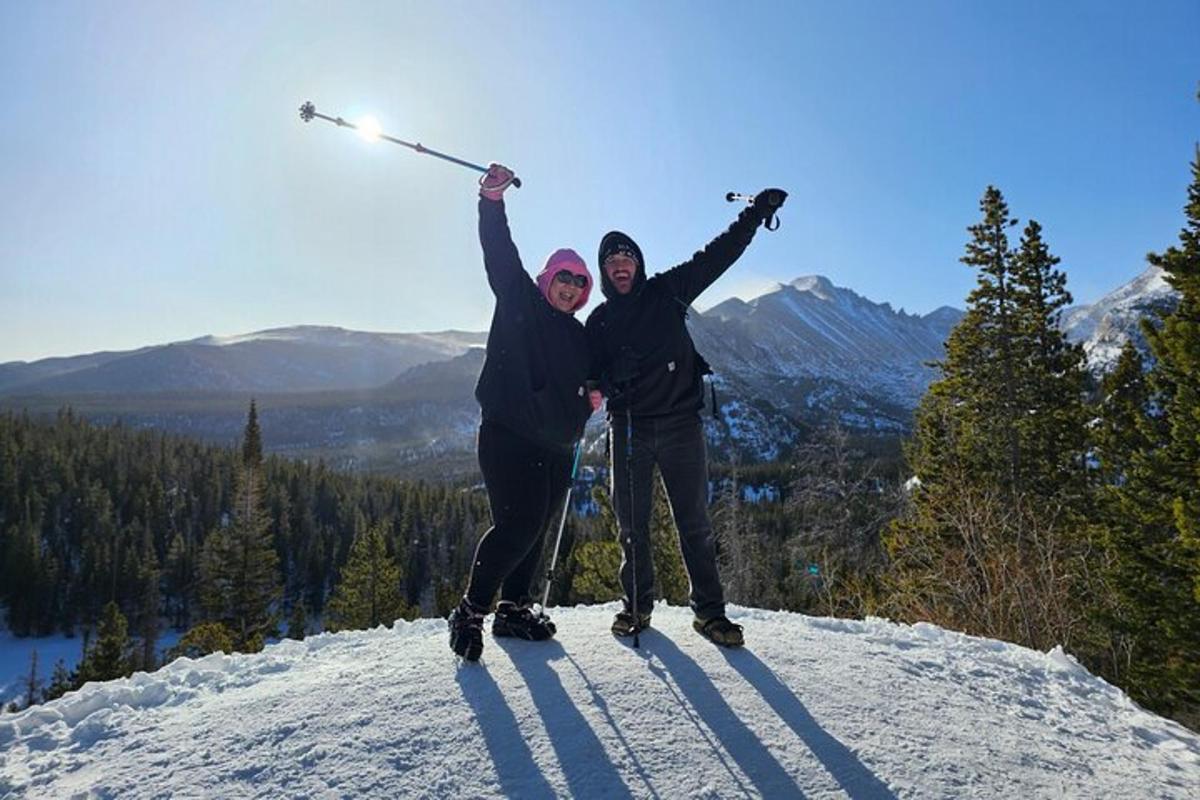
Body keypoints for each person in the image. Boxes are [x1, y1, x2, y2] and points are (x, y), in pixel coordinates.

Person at [586, 189, 787, 648]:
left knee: (694, 523)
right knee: (631, 525)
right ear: (604, 271)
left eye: (627, 256)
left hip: (680, 425)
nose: (620, 264)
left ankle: (710, 614)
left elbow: (717, 256)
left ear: (638, 263)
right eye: (611, 259)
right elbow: (588, 379)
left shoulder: (667, 291)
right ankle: (636, 607)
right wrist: (607, 377)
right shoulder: (597, 322)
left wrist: (754, 214)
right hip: (629, 427)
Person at [447, 164, 598, 662]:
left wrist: (591, 396)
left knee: (535, 524)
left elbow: (586, 380)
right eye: (565, 278)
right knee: (520, 520)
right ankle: (471, 610)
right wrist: (492, 199)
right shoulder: (519, 298)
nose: (571, 287)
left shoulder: (578, 335)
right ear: (548, 279)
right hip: (509, 434)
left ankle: (513, 608)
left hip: (557, 446)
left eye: (580, 282)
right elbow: (499, 251)